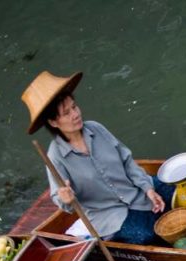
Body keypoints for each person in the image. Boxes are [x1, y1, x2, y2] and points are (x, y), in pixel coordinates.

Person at [20, 70, 174, 245]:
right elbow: (59, 197)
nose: (75, 114)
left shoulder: (96, 128)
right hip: (109, 215)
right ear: (54, 122)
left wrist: (148, 189)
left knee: (177, 194)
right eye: (66, 113)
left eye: (74, 107)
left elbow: (127, 161)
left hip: (136, 191)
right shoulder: (55, 156)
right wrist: (66, 199)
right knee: (145, 235)